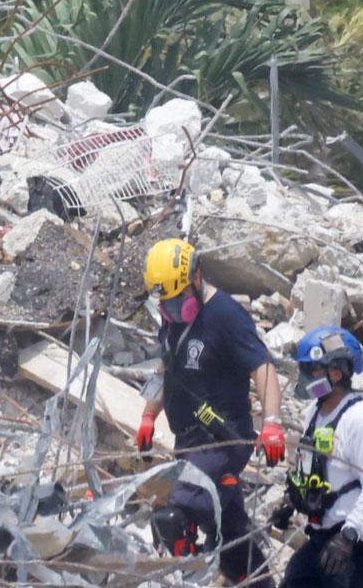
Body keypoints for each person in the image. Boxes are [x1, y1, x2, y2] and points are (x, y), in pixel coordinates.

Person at [137, 238, 283, 587]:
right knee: (229, 532)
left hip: (222, 440)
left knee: (175, 517)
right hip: (188, 442)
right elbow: (168, 369)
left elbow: (262, 367)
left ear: (197, 278)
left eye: (176, 299)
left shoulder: (225, 315)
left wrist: (272, 423)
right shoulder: (172, 317)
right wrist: (148, 415)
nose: (171, 309)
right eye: (164, 302)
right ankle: (259, 582)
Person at [277, 327, 363, 588]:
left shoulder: (360, 419)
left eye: (312, 370)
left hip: (361, 544)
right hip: (324, 538)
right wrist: (290, 503)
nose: (305, 377)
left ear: (336, 373)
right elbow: (310, 472)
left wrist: (349, 536)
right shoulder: (313, 416)